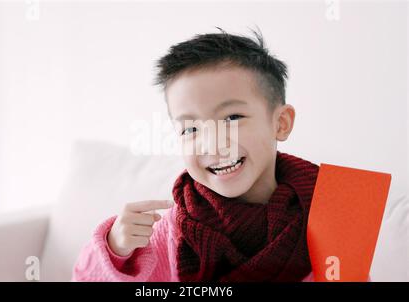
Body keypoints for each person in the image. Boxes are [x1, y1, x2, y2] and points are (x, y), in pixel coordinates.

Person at [72, 29, 321, 282]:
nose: (211, 144)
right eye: (190, 129)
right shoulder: (170, 231)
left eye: (232, 118)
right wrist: (116, 249)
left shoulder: (332, 209)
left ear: (280, 123)